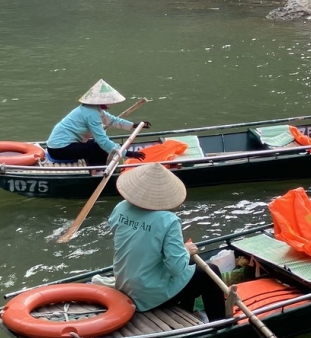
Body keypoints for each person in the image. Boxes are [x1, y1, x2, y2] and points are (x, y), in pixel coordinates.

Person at [110, 163, 227, 321]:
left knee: (190, 264)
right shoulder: (169, 220)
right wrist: (186, 250)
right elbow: (176, 268)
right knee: (210, 272)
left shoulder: (120, 208)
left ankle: (186, 309)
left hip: (124, 284)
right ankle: (219, 324)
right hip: (147, 294)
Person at [46, 80, 149, 166]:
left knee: (95, 144)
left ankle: (98, 167)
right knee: (97, 147)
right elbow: (102, 141)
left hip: (58, 146)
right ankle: (98, 172)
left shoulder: (94, 109)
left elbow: (112, 120)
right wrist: (128, 153)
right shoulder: (91, 114)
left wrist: (134, 125)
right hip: (59, 149)